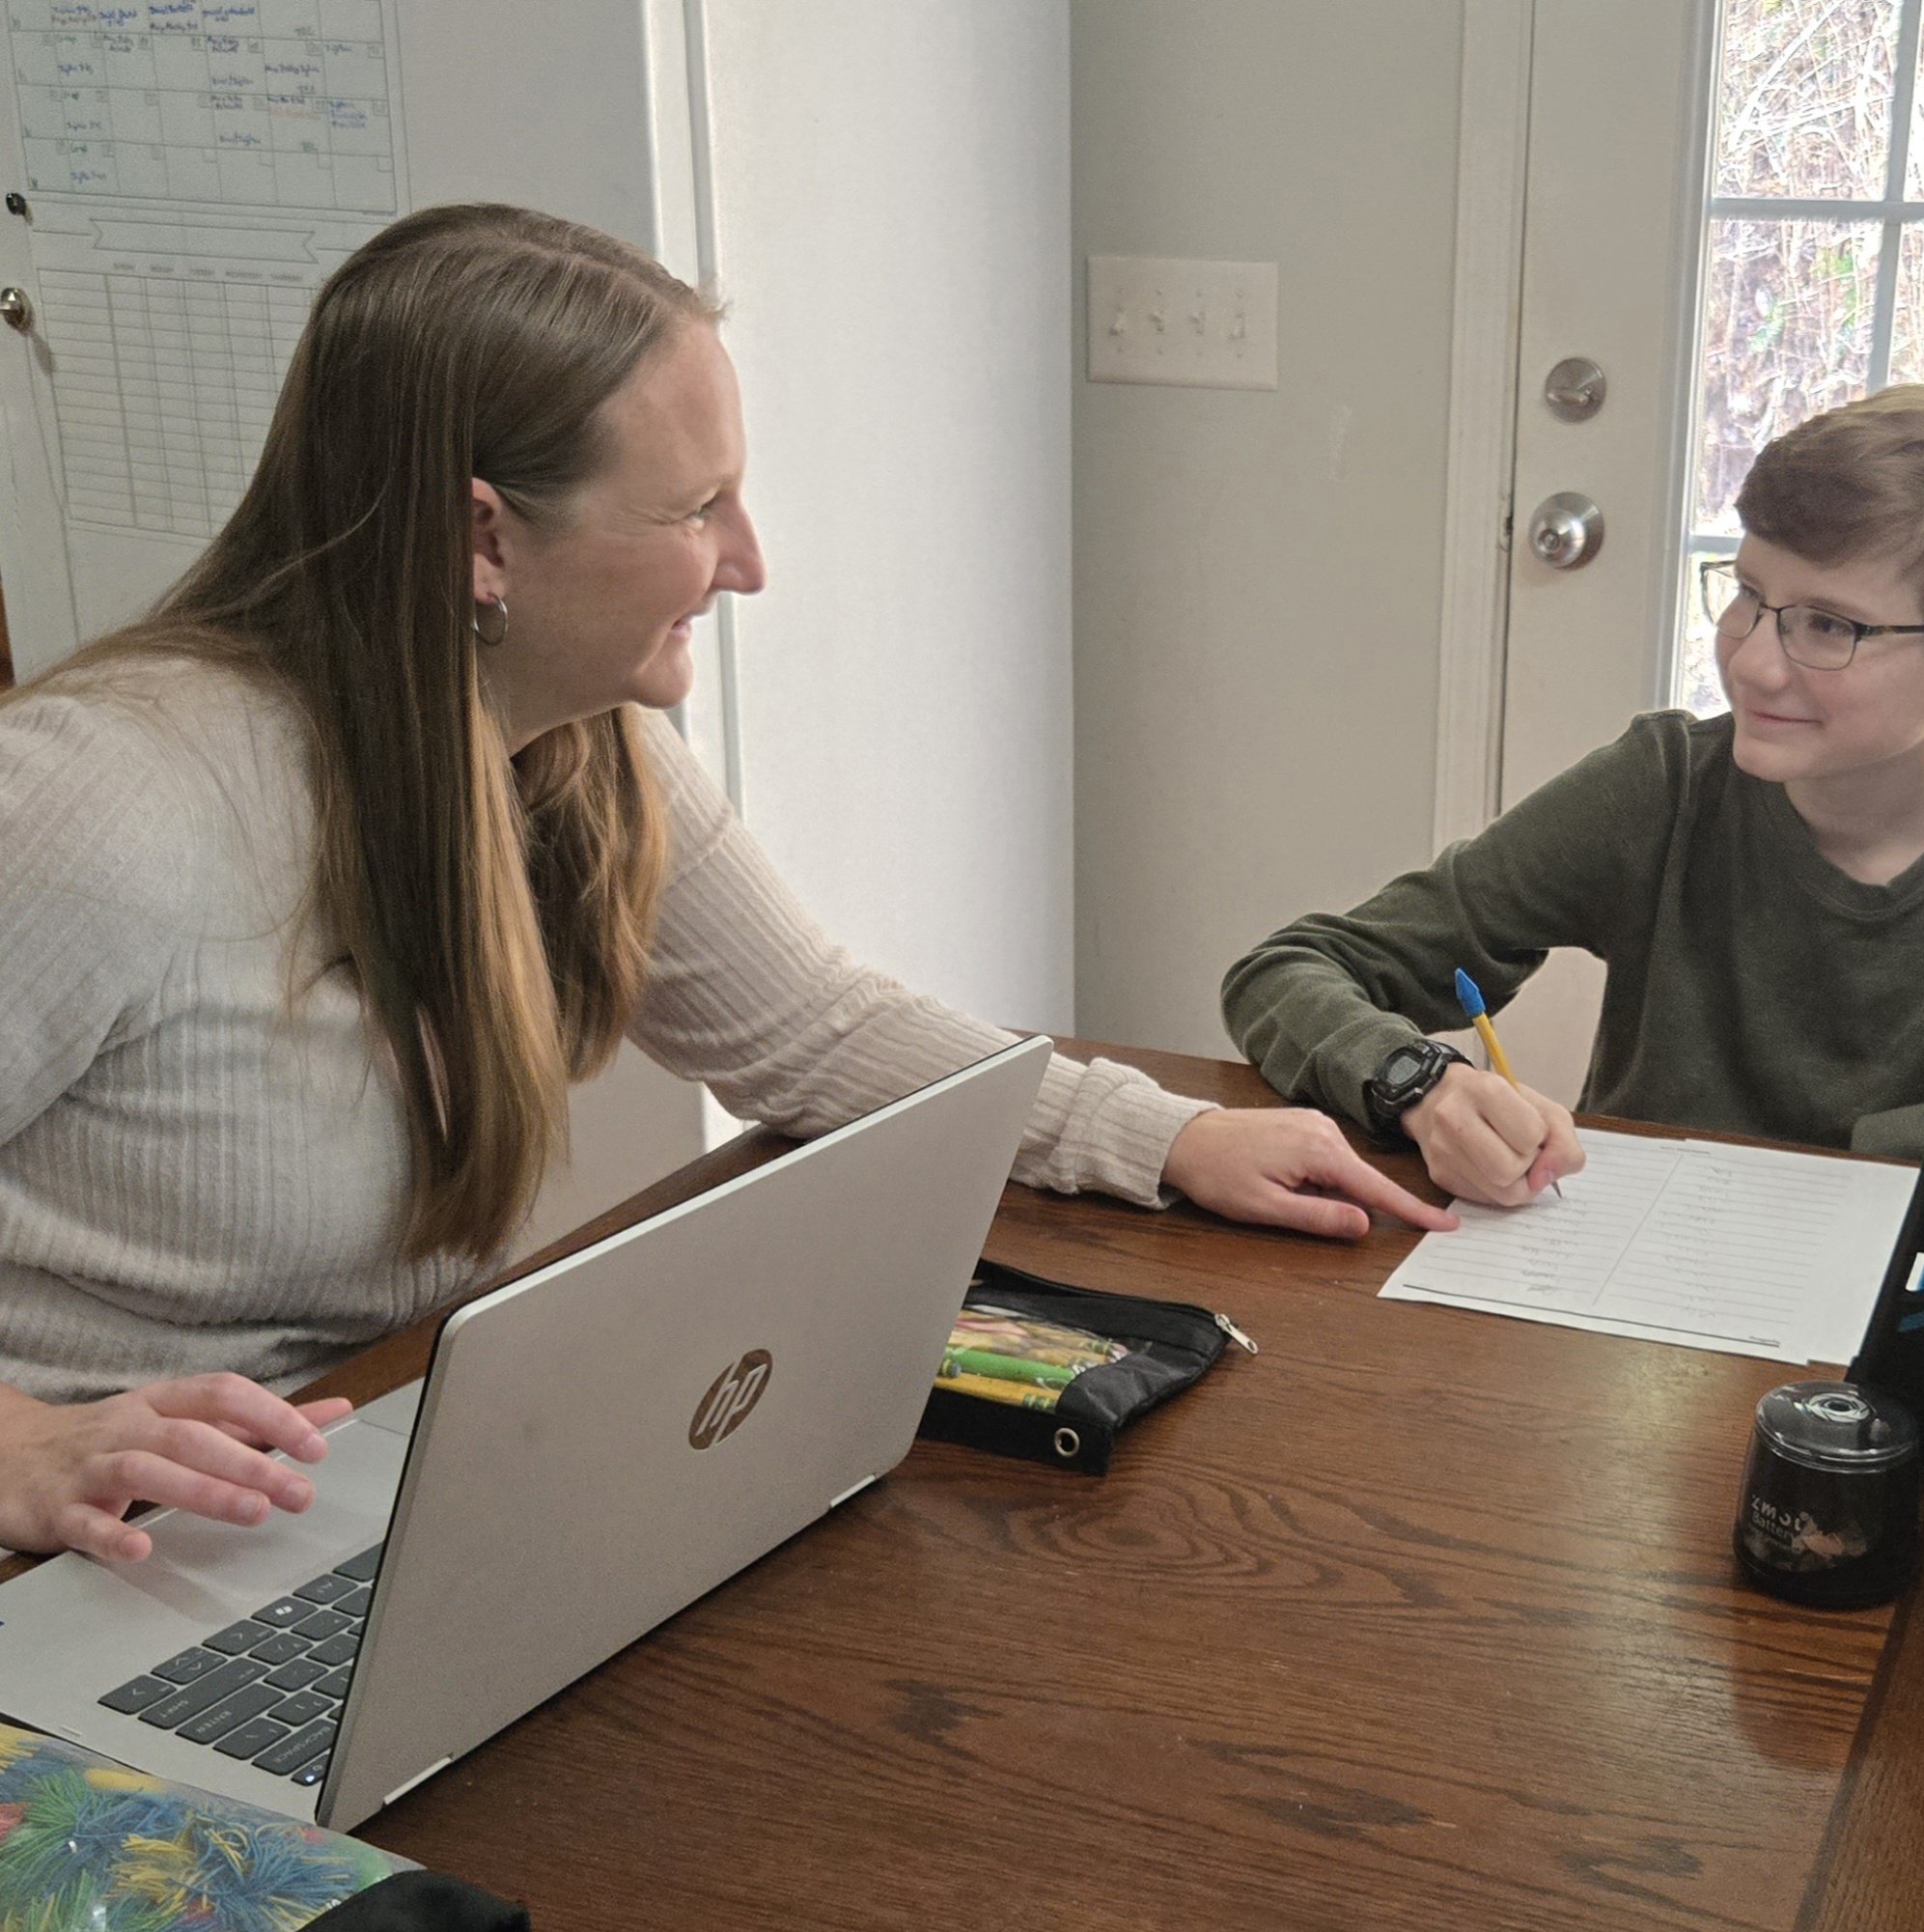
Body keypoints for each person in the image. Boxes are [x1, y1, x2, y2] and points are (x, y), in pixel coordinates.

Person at [0, 204, 1451, 1566]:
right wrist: (25, 1448)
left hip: (361, 1476)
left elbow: (808, 1027)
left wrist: (1167, 1135)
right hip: (91, 1553)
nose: (747, 564)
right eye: (697, 509)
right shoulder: (100, 805)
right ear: (483, 539)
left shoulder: (571, 746)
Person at [1222, 384, 1924, 1209]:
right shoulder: (1661, 789)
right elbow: (1287, 968)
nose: (1751, 661)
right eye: (1746, 594)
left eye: (1827, 625)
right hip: (1632, 1314)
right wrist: (1416, 1083)